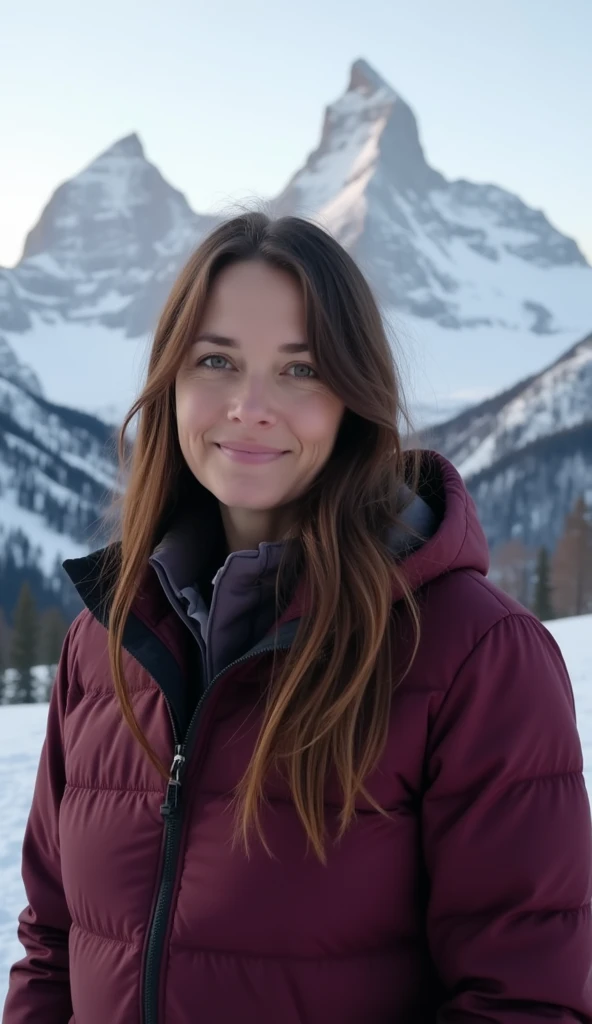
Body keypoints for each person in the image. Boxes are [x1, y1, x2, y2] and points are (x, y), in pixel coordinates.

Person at [3, 213, 591, 1024]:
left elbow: (524, 1002)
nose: (249, 407)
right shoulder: (103, 642)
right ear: (171, 378)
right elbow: (52, 944)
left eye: (301, 369)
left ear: (354, 397)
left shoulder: (474, 655)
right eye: (216, 361)